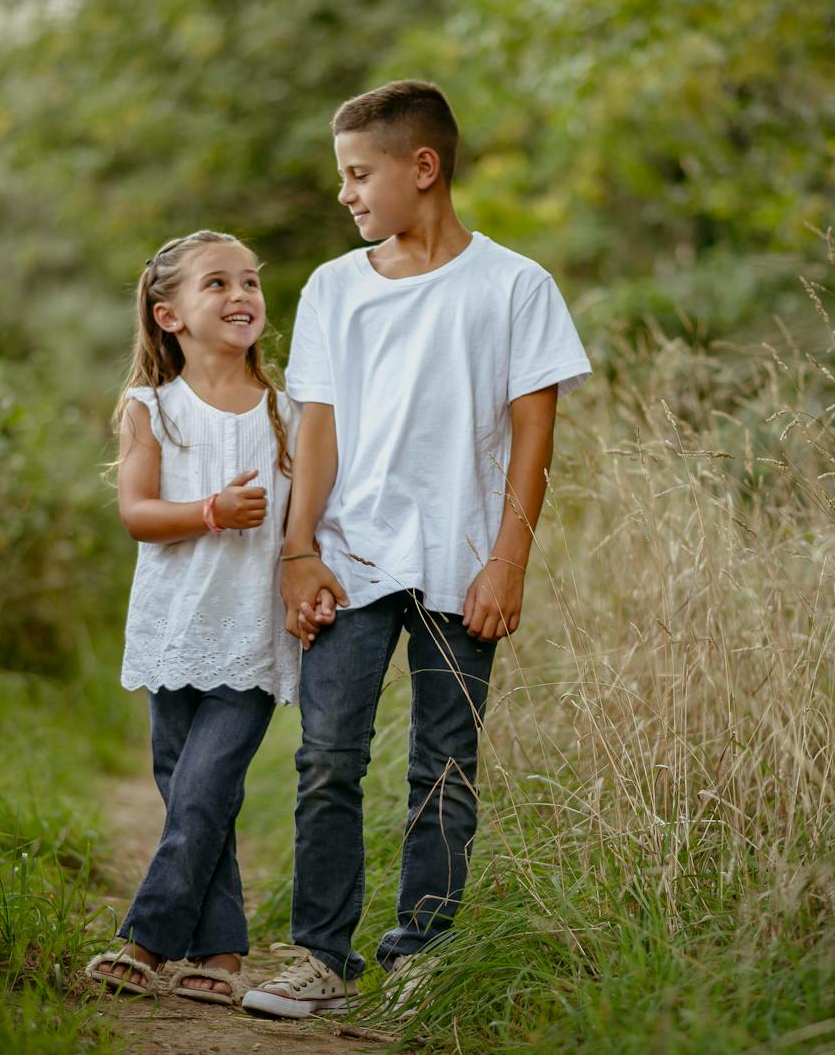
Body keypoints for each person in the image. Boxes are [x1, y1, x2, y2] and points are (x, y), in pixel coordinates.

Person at [241, 80, 591, 1020]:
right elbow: (316, 428)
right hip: (351, 557)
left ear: (422, 168)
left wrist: (508, 561)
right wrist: (298, 549)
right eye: (343, 177)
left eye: (360, 174)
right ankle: (320, 955)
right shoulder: (333, 288)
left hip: (462, 562)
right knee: (328, 759)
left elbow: (533, 434)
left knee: (444, 763)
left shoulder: (515, 285)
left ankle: (421, 958)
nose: (346, 194)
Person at [84, 229, 298, 1007]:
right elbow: (138, 513)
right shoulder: (152, 409)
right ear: (168, 314)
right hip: (173, 629)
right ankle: (223, 953)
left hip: (250, 634)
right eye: (218, 284)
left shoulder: (290, 409)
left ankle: (143, 941)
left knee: (205, 789)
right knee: (191, 796)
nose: (242, 295)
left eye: (250, 280)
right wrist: (210, 510)